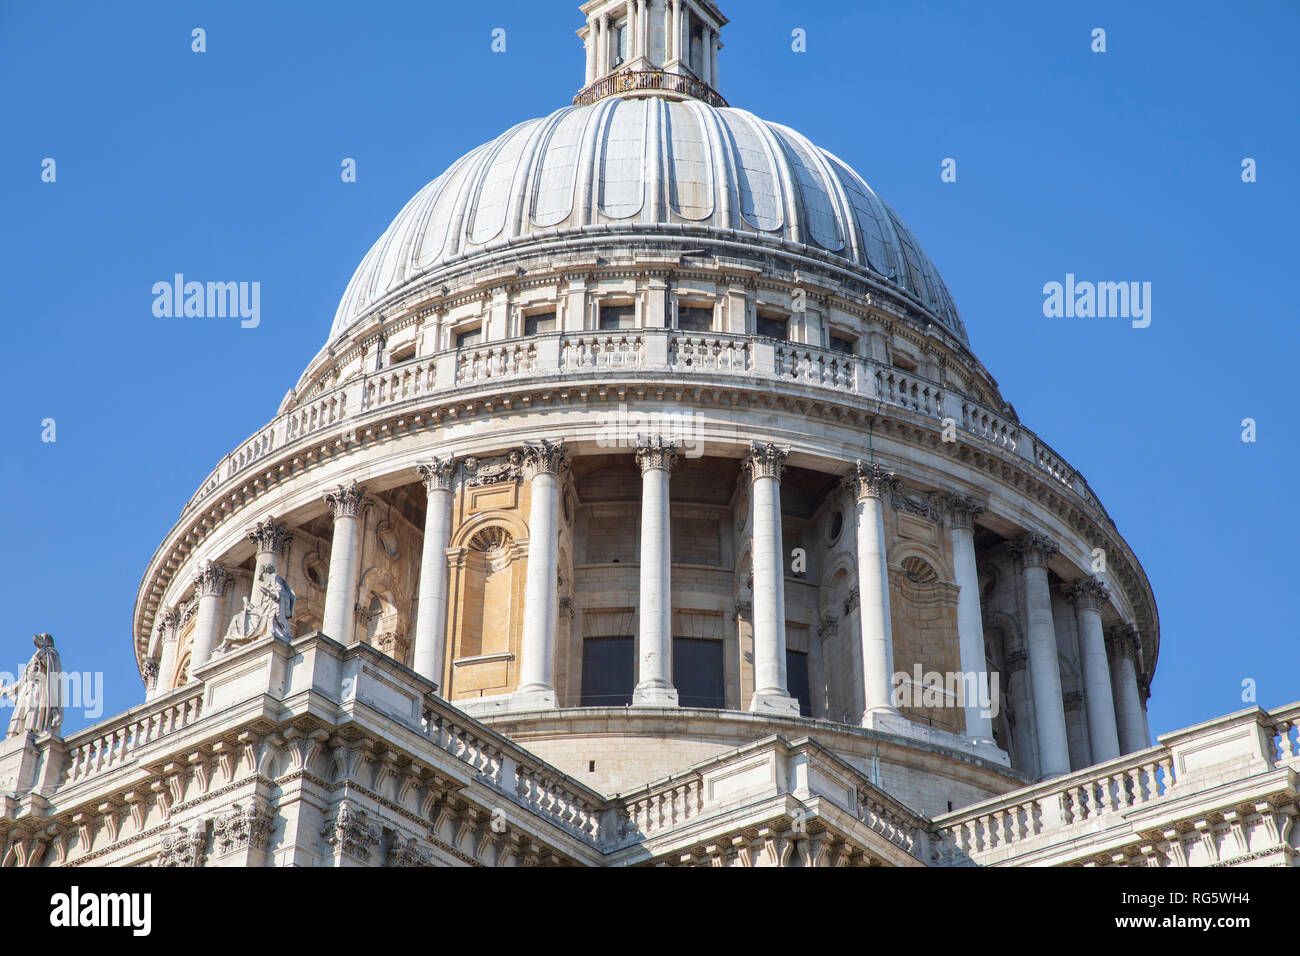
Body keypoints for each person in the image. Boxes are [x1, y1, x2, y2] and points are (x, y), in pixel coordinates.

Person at [2, 633, 63, 738]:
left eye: (43, 637)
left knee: (32, 714)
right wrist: (5, 690)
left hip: (38, 688)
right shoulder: (34, 658)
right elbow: (21, 681)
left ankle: (31, 733)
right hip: (26, 690)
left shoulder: (51, 654)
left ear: (47, 642)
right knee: (19, 718)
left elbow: (53, 675)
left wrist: (42, 649)